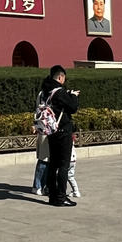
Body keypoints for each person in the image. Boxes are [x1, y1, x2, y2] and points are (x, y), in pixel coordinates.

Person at [40, 64, 80, 207]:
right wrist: (74, 96)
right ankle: (61, 196)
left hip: (51, 131)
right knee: (63, 165)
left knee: (53, 164)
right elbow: (73, 108)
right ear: (60, 77)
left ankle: (52, 196)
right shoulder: (59, 92)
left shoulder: (46, 92)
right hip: (63, 130)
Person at [67, 133, 81, 198]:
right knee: (70, 176)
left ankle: (60, 191)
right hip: (73, 159)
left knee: (60, 175)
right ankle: (76, 191)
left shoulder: (66, 139)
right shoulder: (71, 141)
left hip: (67, 159)